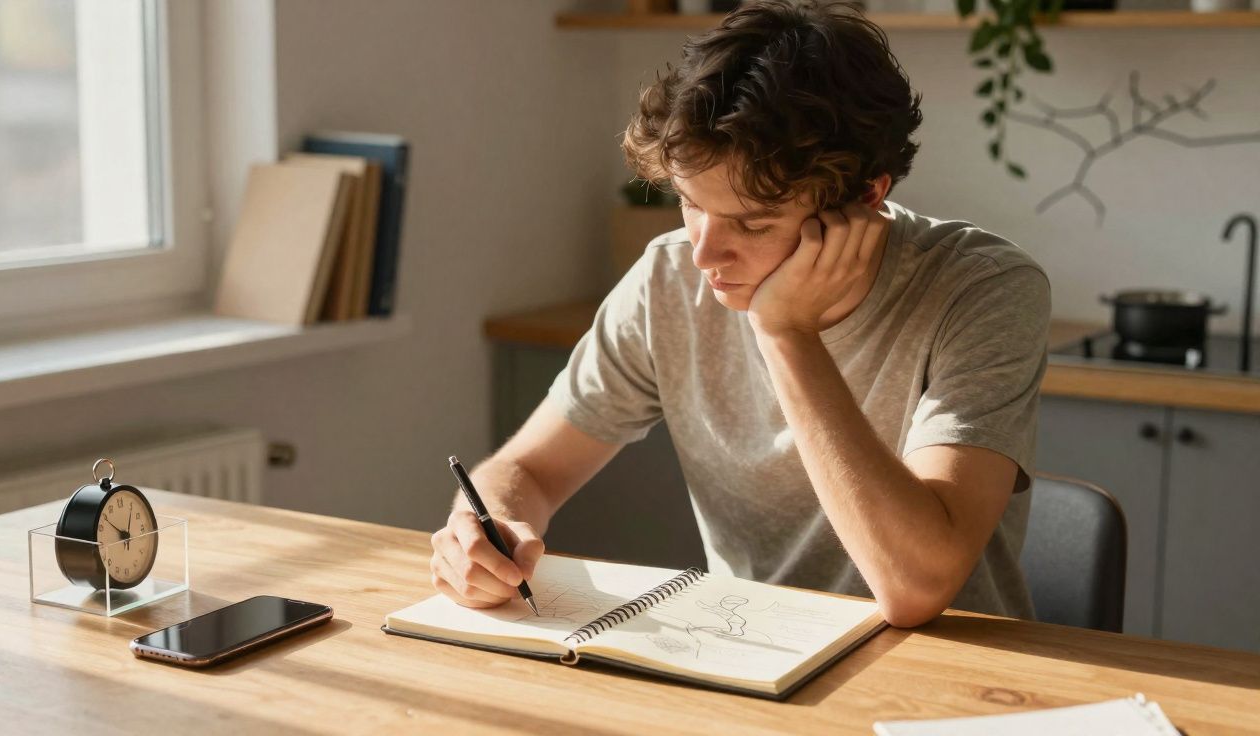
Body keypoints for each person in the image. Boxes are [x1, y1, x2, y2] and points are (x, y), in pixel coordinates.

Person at [429, 0, 1050, 628]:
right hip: (751, 663)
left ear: (866, 199)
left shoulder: (985, 289)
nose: (703, 252)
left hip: (946, 682)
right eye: (692, 205)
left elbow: (916, 588)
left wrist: (785, 332)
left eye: (752, 223)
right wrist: (485, 531)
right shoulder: (669, 275)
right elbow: (530, 469)